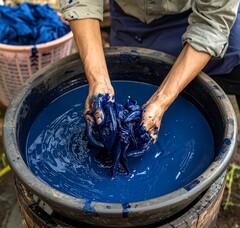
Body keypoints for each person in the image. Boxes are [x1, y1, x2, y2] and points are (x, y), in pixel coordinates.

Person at [59, 0, 240, 142]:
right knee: (130, 83)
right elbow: (81, 2)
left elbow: (212, 23)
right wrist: (98, 81)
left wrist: (161, 101)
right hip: (133, 19)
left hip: (196, 12)